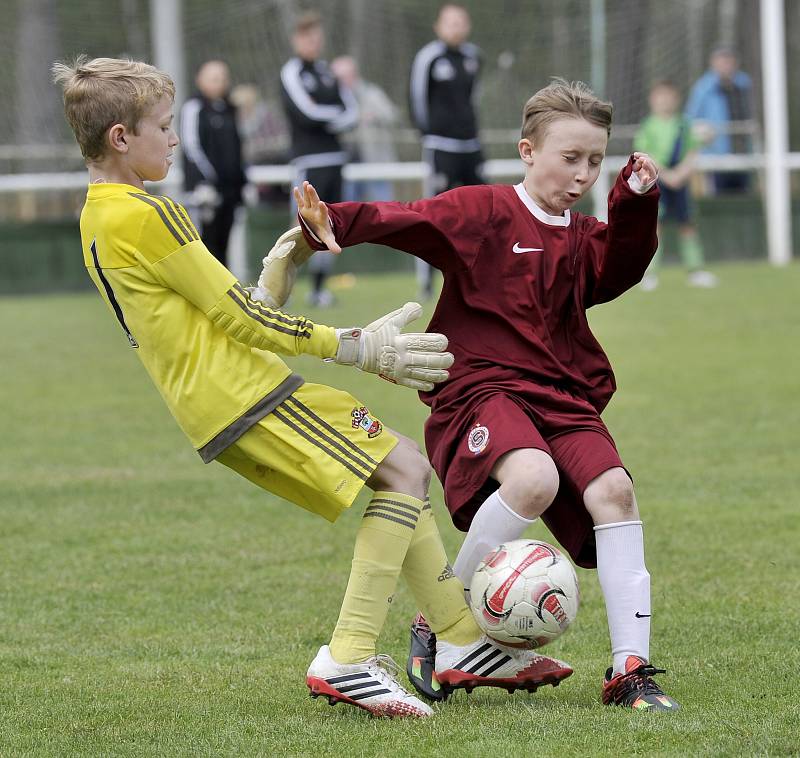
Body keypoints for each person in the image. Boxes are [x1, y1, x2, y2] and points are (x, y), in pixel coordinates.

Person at [52, 55, 574, 720]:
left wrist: (278, 267)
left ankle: (461, 639)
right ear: (120, 137)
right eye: (162, 125)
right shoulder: (148, 213)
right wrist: (359, 346)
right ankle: (350, 656)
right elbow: (239, 321)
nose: (175, 138)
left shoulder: (99, 214)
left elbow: (219, 316)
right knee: (404, 473)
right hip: (245, 394)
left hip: (219, 400)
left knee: (404, 467)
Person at [291, 78, 681, 712]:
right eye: (569, 157)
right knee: (533, 478)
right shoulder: (485, 212)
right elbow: (410, 220)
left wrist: (634, 204)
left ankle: (629, 670)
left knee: (615, 491)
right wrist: (333, 221)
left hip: (559, 393)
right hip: (481, 387)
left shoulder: (582, 236)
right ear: (528, 151)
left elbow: (619, 269)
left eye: (593, 162)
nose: (581, 174)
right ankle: (436, 618)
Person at [280, 11, 358, 307]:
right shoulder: (291, 73)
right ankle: (279, 289)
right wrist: (333, 115)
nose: (313, 42)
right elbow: (305, 113)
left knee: (330, 224)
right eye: (307, 37)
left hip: (336, 159)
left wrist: (331, 116)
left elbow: (350, 111)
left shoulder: (328, 72)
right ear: (296, 40)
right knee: (299, 226)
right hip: (308, 160)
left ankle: (318, 289)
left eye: (316, 36)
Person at [409, 3, 484, 300]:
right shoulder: (429, 57)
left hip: (471, 147)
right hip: (440, 147)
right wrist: (428, 134)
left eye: (461, 22)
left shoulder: (473, 57)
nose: (456, 27)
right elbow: (416, 98)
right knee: (435, 213)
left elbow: (472, 99)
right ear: (439, 26)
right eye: (450, 22)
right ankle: (426, 280)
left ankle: (479, 274)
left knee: (480, 212)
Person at [634, 80, 718, 290]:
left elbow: (692, 151)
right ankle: (649, 274)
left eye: (668, 97)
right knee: (655, 227)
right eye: (660, 97)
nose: (664, 101)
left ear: (676, 99)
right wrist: (666, 174)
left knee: (687, 224)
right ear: (652, 100)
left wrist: (681, 173)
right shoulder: (648, 126)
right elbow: (646, 154)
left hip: (681, 182)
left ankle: (695, 271)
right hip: (657, 182)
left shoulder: (684, 124)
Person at [180, 60, 247, 266]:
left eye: (223, 78)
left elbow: (237, 149)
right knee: (204, 247)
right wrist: (206, 181)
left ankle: (224, 295)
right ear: (200, 80)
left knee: (223, 245)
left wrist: (242, 182)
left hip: (230, 192)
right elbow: (192, 148)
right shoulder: (194, 107)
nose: (220, 83)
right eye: (214, 78)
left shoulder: (230, 109)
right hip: (205, 192)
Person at [330, 55, 398, 203]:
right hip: (347, 163)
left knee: (384, 206)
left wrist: (372, 117)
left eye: (343, 76)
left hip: (375, 162)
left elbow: (391, 115)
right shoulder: (334, 98)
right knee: (348, 209)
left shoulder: (371, 93)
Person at [685, 46, 753, 194]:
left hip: (743, 153)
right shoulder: (703, 88)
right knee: (717, 196)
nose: (725, 66)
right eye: (721, 62)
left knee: (744, 195)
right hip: (715, 155)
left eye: (729, 62)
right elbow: (690, 119)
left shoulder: (744, 84)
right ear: (713, 64)